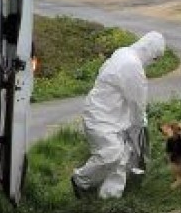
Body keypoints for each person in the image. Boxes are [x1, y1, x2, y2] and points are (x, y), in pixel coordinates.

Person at [71, 31, 166, 199]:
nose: (154, 62)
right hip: (101, 117)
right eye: (155, 58)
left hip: (112, 116)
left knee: (121, 159)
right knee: (111, 154)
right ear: (150, 52)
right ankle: (80, 180)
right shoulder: (132, 66)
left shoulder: (124, 52)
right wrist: (139, 127)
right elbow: (137, 102)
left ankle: (109, 197)